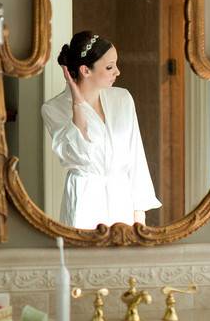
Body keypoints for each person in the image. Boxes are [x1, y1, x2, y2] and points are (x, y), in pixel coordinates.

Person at [40, 31, 161, 229]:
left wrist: (139, 213)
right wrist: (78, 103)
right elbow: (78, 154)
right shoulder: (54, 109)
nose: (118, 72)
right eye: (109, 67)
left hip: (122, 201)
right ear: (85, 70)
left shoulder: (122, 99)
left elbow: (136, 156)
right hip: (85, 202)